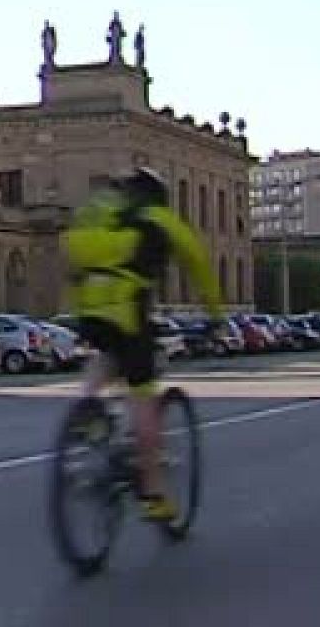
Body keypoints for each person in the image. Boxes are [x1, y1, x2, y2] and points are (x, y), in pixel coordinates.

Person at [61, 166, 223, 523]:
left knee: (104, 356)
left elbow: (71, 249)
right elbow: (198, 264)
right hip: (127, 306)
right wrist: (215, 314)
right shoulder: (160, 219)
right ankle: (153, 494)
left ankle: (88, 412)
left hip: (89, 303)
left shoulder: (103, 211)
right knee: (143, 394)